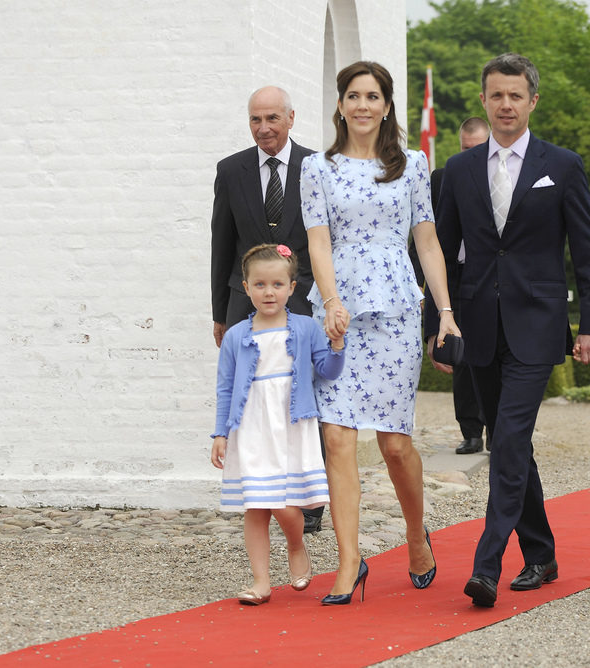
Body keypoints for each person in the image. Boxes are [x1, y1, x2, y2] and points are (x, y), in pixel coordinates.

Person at [426, 53, 590, 608]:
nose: (505, 104)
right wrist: (440, 324)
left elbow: (588, 250)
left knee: (506, 438)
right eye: (496, 95)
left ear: (533, 101)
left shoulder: (564, 165)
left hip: (538, 324)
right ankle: (542, 553)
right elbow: (441, 257)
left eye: (515, 95)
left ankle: (487, 564)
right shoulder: (457, 172)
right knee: (515, 446)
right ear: (483, 99)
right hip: (479, 326)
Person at [300, 61, 459, 605]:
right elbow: (318, 242)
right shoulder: (316, 169)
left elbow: (429, 244)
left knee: (394, 444)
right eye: (353, 96)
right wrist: (332, 301)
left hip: (395, 308)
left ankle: (416, 534)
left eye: (372, 96)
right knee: (338, 438)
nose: (362, 105)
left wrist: (445, 311)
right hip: (338, 312)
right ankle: (349, 562)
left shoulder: (412, 165)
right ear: (340, 105)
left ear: (387, 105)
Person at [210, 85, 326, 534]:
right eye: (256, 120)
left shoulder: (316, 167)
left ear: (291, 118)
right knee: (254, 397)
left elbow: (327, 239)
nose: (264, 129)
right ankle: (259, 488)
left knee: (304, 396)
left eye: (272, 119)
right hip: (247, 306)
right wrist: (221, 311)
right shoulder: (231, 170)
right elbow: (222, 242)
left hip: (305, 301)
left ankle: (308, 501)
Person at [210, 244, 345, 605]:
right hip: (251, 425)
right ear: (246, 287)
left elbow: (328, 372)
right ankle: (260, 582)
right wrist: (221, 433)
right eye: (259, 285)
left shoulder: (305, 328)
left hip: (291, 423)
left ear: (292, 287)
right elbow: (225, 387)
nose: (268, 292)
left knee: (285, 504)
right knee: (257, 504)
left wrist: (337, 343)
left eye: (276, 284)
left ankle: (296, 543)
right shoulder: (237, 335)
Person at [430, 117, 490, 455]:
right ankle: (471, 430)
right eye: (466, 149)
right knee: (461, 357)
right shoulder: (442, 178)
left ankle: (499, 427)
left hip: (494, 279)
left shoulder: (504, 178)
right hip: (455, 280)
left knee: (497, 355)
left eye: (478, 148)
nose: (472, 155)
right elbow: (424, 240)